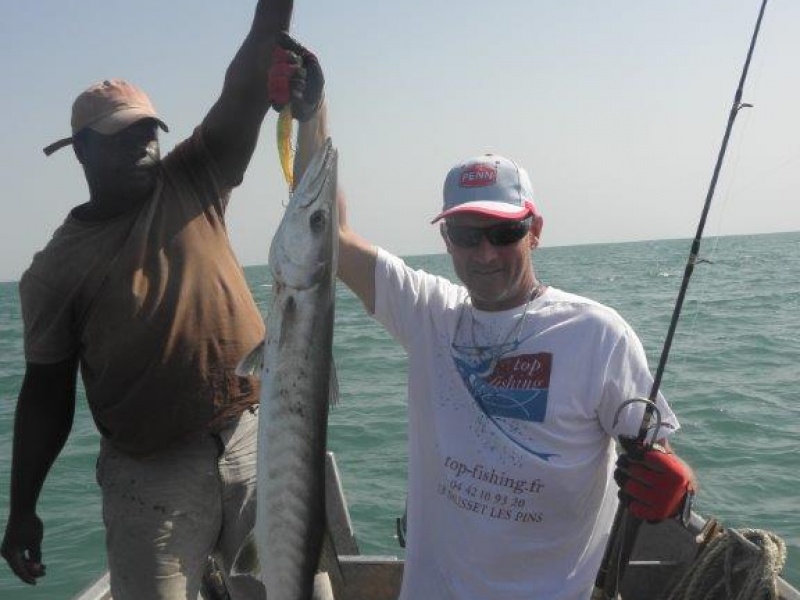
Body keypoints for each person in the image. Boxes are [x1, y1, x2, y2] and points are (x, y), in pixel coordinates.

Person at [1, 3, 323, 599]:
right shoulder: (53, 272)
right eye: (122, 134)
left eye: (150, 128)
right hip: (150, 473)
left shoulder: (195, 174)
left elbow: (248, 80)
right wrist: (23, 507)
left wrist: (275, 21)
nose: (144, 142)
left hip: (254, 438)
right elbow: (46, 396)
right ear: (80, 153)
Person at [334, 146, 696, 598]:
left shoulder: (598, 334)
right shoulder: (429, 314)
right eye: (467, 233)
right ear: (446, 238)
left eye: (505, 231)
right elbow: (332, 234)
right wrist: (310, 111)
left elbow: (657, 456)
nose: (485, 252)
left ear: (535, 231)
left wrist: (675, 486)